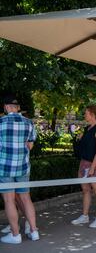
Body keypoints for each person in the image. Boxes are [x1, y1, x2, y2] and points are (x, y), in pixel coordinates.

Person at [0, 96, 39, 244]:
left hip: (4, 167)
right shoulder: (28, 123)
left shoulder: (1, 122)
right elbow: (30, 146)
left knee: (9, 200)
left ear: (6, 107)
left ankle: (15, 234)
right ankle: (34, 231)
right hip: (23, 167)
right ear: (17, 108)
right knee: (26, 198)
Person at [71, 105, 96, 228]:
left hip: (95, 164)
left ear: (92, 114)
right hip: (84, 162)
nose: (84, 115)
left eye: (86, 113)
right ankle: (85, 216)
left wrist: (93, 167)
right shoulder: (86, 129)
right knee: (85, 190)